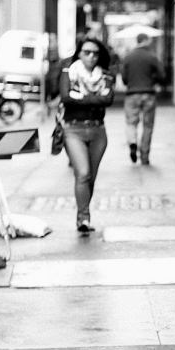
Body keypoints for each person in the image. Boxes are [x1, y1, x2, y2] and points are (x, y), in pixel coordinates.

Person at [60, 37, 115, 235]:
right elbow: (66, 97)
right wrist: (94, 99)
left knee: (90, 177)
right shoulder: (69, 72)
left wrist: (81, 98)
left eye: (95, 53)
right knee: (82, 173)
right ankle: (83, 217)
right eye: (86, 52)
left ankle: (83, 214)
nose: (91, 57)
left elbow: (107, 100)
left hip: (98, 132)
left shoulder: (107, 76)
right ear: (79, 53)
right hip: (73, 130)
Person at [121, 33, 166, 165]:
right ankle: (144, 155)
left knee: (131, 123)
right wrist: (153, 80)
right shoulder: (152, 56)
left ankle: (133, 143)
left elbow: (124, 78)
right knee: (148, 125)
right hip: (148, 93)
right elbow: (162, 75)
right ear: (145, 41)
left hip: (131, 94)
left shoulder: (128, 57)